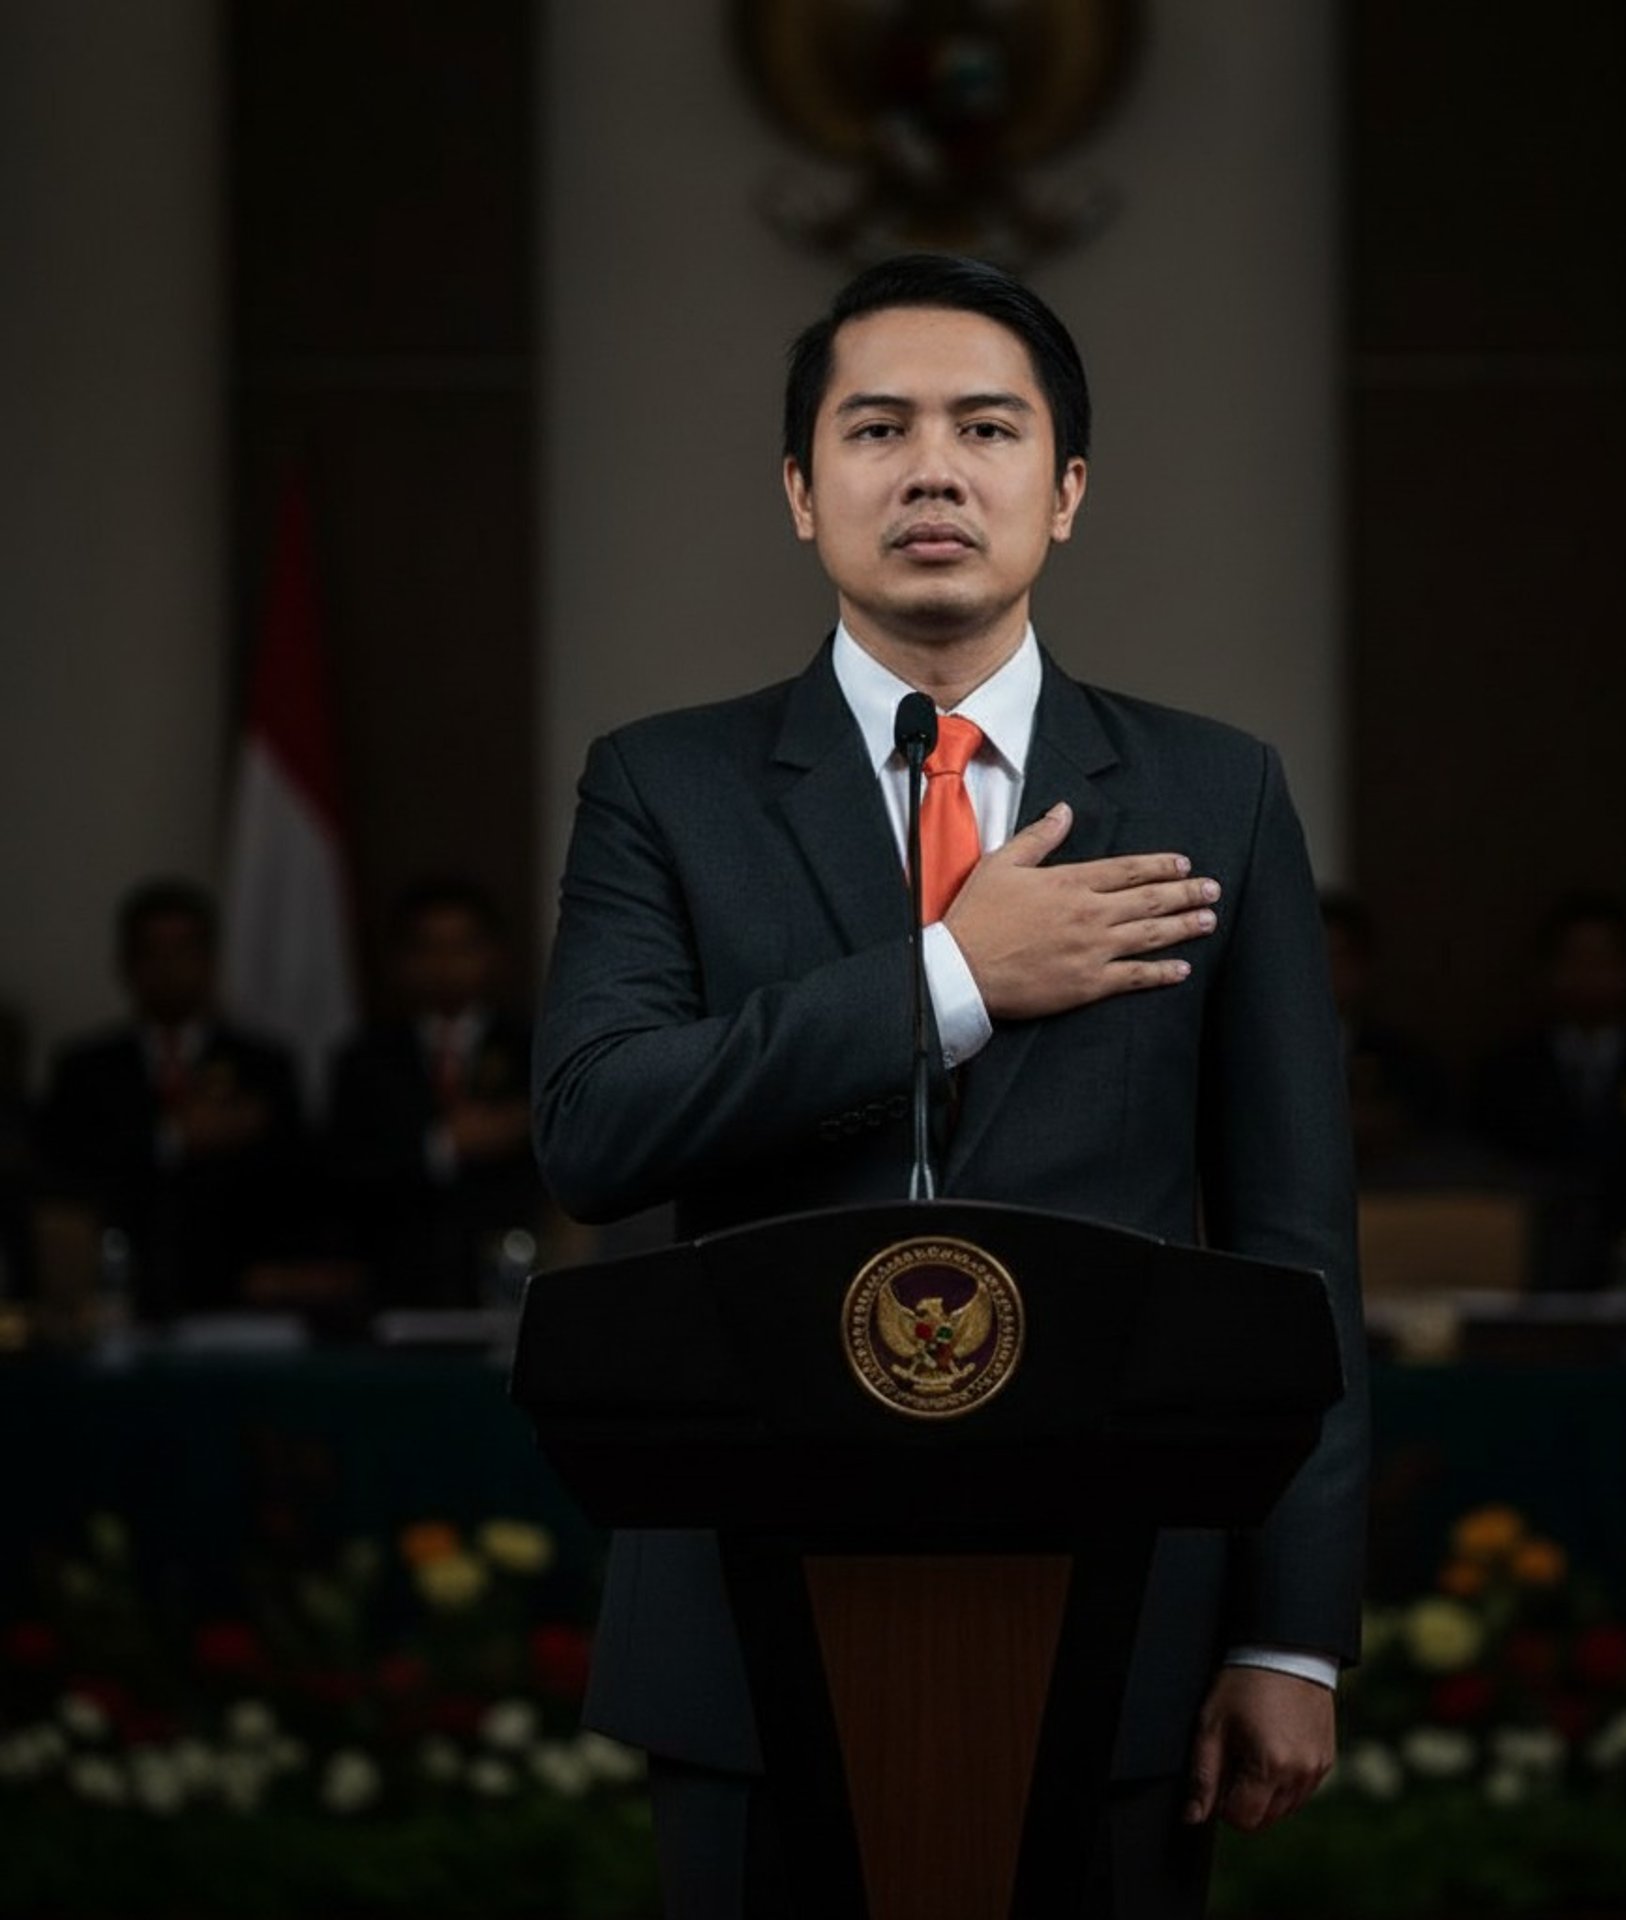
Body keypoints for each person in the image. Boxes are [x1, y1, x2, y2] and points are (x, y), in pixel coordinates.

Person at [534, 254, 1366, 1917]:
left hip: (1128, 1604)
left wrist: (1291, 1628)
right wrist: (951, 981)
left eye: (987, 427)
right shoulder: (663, 785)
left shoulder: (1215, 790)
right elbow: (597, 1127)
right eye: (876, 428)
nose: (932, 469)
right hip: (749, 1612)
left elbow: (1293, 1243)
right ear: (799, 487)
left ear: (1064, 491)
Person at [36, 878, 306, 1317]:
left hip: (240, 1298)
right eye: (151, 952)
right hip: (116, 1291)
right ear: (125, 963)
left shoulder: (265, 1066)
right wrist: (170, 1138)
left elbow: (297, 1178)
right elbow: (65, 1169)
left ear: (211, 961)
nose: (168, 966)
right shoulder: (86, 1067)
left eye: (184, 950)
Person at [1473, 892, 1626, 1295]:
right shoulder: (1504, 1074)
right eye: (1573, 959)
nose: (1587, 973)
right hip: (1534, 1280)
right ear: (1548, 970)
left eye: (1603, 960)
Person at [327, 879, 542, 1308]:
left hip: (515, 1281)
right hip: (396, 1290)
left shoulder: (535, 1050)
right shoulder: (364, 1059)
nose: (446, 963)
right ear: (401, 961)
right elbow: (346, 1171)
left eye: (463, 946)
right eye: (428, 948)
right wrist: (444, 1144)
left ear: (493, 954)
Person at [1320, 890, 1451, 1179]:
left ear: (1363, 966)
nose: (1326, 971)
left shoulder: (1404, 1057)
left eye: (1338, 957)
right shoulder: (1254, 1053)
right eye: (1315, 956)